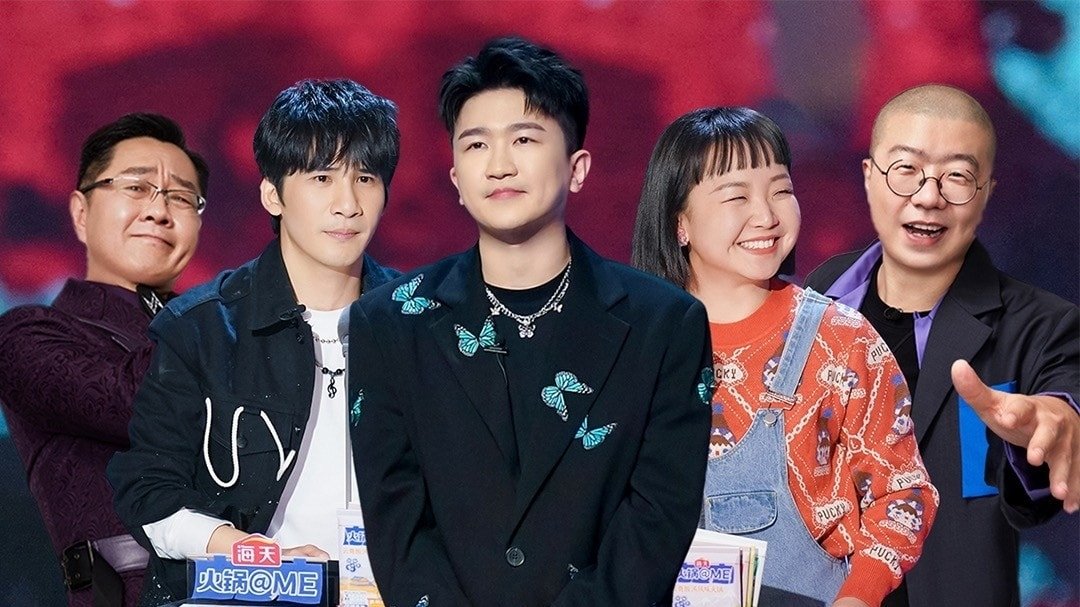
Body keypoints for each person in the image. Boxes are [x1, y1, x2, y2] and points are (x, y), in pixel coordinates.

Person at [348, 37, 711, 606]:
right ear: (455, 179)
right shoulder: (390, 323)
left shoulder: (663, 323)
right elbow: (397, 521)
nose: (499, 165)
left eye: (524, 139)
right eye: (476, 144)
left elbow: (659, 517)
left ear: (577, 168)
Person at [107, 79, 400, 604]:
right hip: (250, 591)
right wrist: (255, 554)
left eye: (365, 178)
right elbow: (149, 493)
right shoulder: (201, 330)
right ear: (272, 194)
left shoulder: (422, 322)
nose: (348, 204)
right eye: (322, 177)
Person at [631, 107, 939, 607]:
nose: (767, 216)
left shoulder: (841, 340)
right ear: (679, 222)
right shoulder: (634, 345)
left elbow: (903, 492)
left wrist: (858, 597)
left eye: (780, 190)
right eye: (737, 196)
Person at [805, 84, 1079, 607]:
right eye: (906, 169)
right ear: (869, 177)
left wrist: (1055, 425)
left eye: (956, 176)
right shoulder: (811, 304)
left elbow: (1063, 400)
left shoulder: (1041, 323)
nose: (928, 196)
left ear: (988, 192)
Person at [0, 113, 207, 606]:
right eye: (136, 188)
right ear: (80, 212)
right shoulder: (28, 334)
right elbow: (136, 402)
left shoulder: (226, 328)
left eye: (181, 198)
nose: (159, 211)